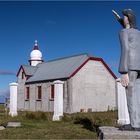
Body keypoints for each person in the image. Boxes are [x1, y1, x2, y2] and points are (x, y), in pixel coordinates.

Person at [113, 9, 140, 131]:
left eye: (124, 17)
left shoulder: (123, 32)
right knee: (138, 95)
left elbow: (125, 49)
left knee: (130, 95)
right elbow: (132, 33)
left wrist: (123, 71)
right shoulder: (138, 33)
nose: (123, 18)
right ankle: (138, 122)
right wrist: (121, 21)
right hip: (139, 66)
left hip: (130, 65)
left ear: (128, 19)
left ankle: (134, 124)